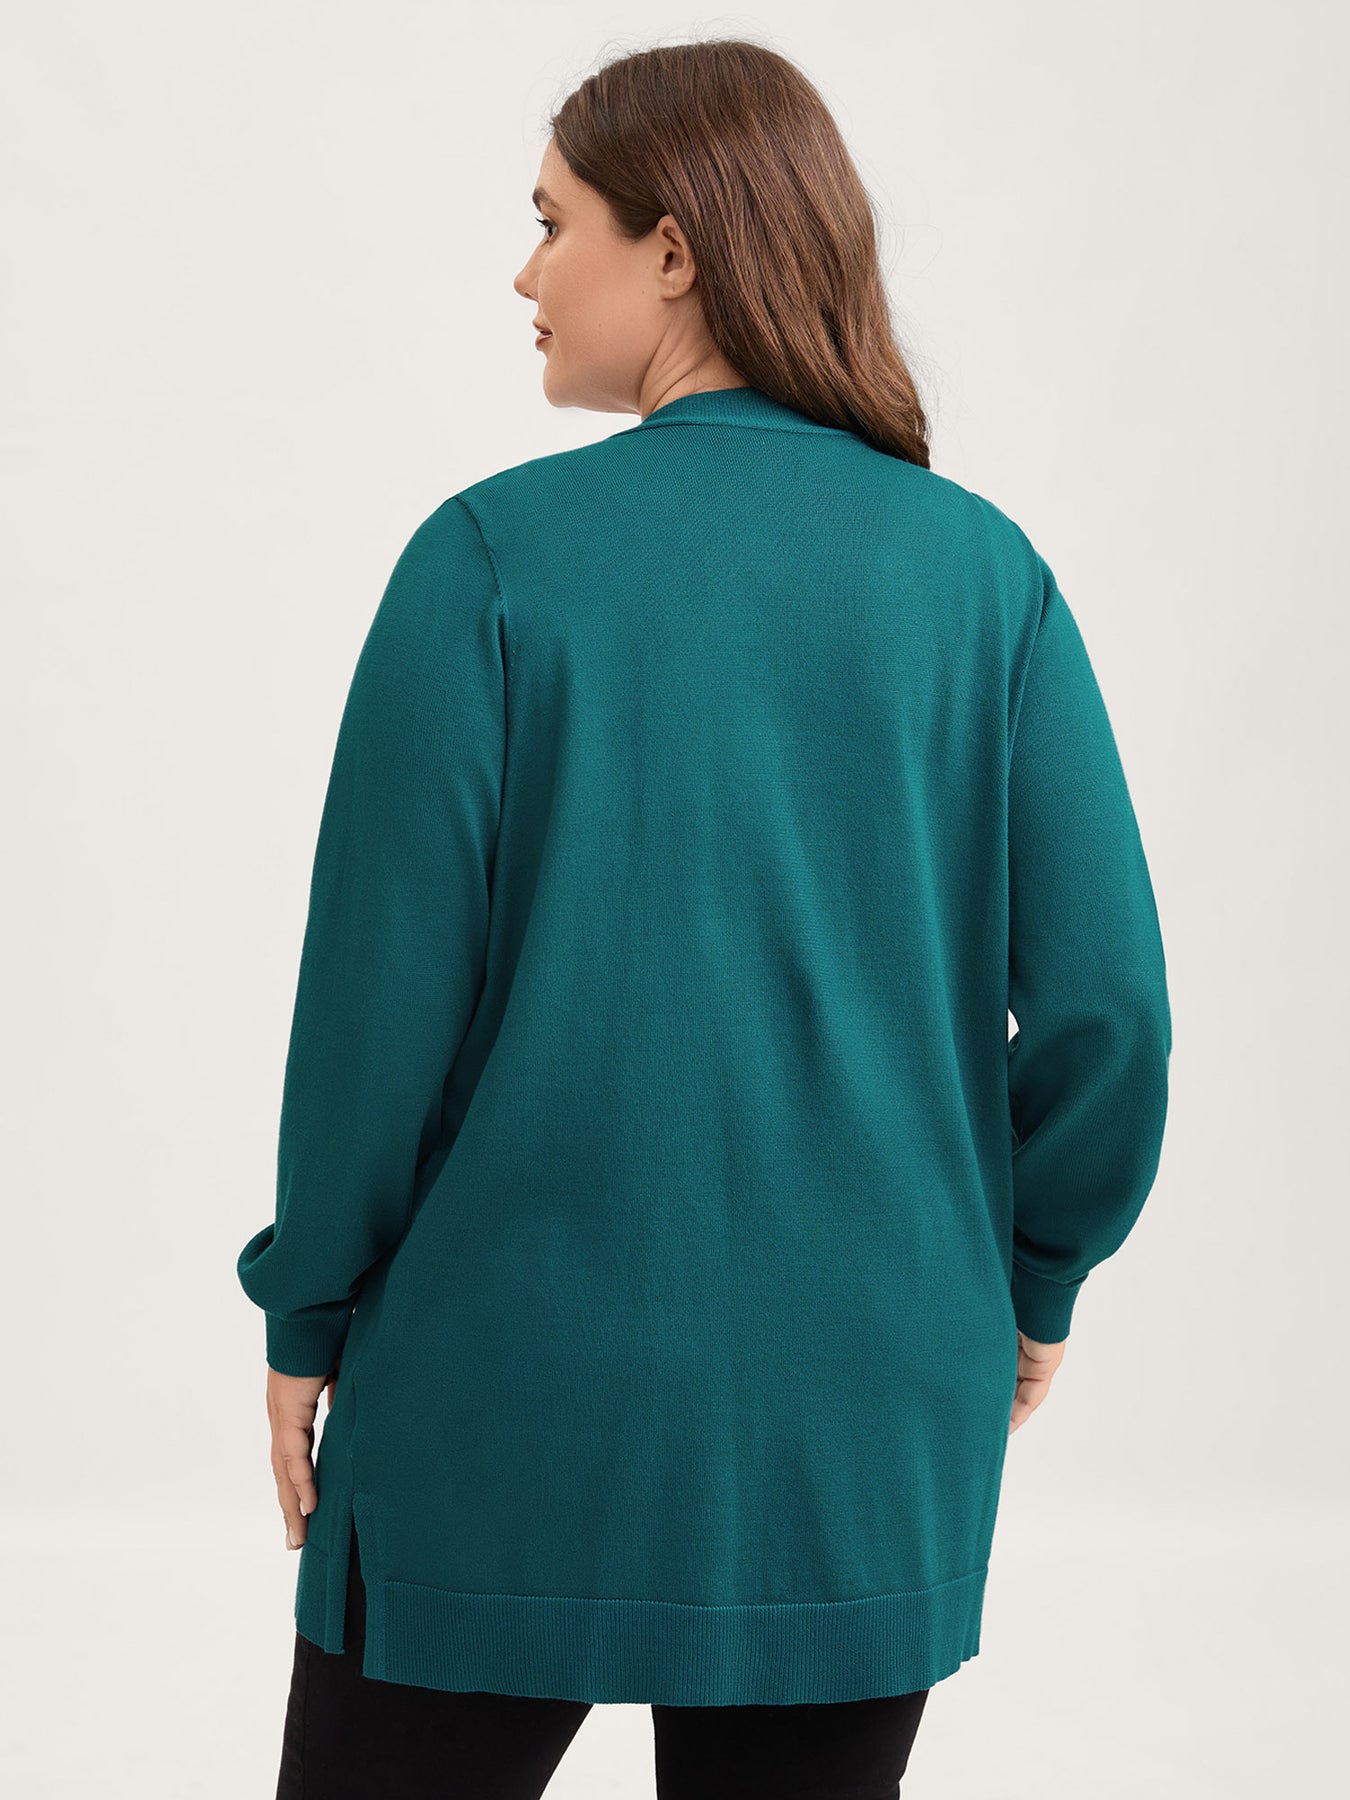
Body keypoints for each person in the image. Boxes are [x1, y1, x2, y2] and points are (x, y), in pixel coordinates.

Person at [238, 36, 1171, 1800]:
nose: (524, 275)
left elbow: (374, 1014)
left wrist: (308, 1312)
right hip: (864, 1416)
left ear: (672, 249)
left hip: (505, 1394)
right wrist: (1030, 1272)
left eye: (550, 224)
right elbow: (1109, 1016)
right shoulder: (985, 579)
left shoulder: (485, 562)